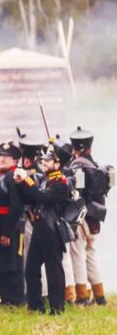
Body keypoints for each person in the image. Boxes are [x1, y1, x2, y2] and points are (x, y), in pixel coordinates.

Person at [20, 146, 74, 314]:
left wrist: (27, 181)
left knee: (53, 269)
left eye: (49, 160)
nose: (43, 162)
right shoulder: (46, 180)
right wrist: (21, 183)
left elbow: (42, 197)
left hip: (52, 229)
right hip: (40, 227)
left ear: (58, 164)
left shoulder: (61, 184)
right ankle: (35, 306)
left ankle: (57, 307)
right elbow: (33, 197)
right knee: (31, 269)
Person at [65, 127, 110, 305]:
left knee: (78, 255)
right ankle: (99, 296)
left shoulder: (78, 165)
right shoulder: (94, 163)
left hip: (82, 216)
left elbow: (76, 191)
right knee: (91, 254)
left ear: (77, 147)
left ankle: (82, 296)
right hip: (94, 218)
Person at [0, 141, 35, 306]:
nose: (1, 159)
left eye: (6, 157)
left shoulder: (13, 179)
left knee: (11, 264)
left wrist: (7, 232)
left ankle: (15, 300)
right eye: (0, 155)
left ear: (15, 161)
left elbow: (16, 207)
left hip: (9, 225)